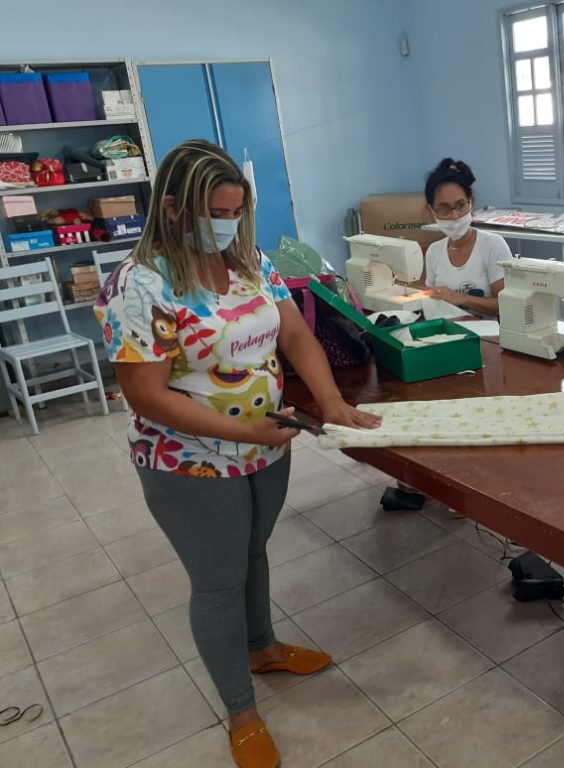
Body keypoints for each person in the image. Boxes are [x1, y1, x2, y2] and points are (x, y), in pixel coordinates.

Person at [94, 139, 380, 768]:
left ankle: (264, 647)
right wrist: (247, 433)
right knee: (218, 581)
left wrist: (330, 404)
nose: (226, 226)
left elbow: (297, 333)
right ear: (171, 208)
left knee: (252, 553)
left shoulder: (247, 259)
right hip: (190, 461)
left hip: (266, 448)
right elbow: (147, 396)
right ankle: (241, 709)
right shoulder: (136, 286)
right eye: (214, 213)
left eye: (234, 212)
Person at [423, 158, 509, 316]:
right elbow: (432, 298)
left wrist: (461, 298)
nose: (455, 215)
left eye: (461, 205)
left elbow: (507, 304)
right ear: (431, 211)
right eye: (444, 209)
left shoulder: (492, 245)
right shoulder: (434, 252)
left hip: (487, 336)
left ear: (472, 203)